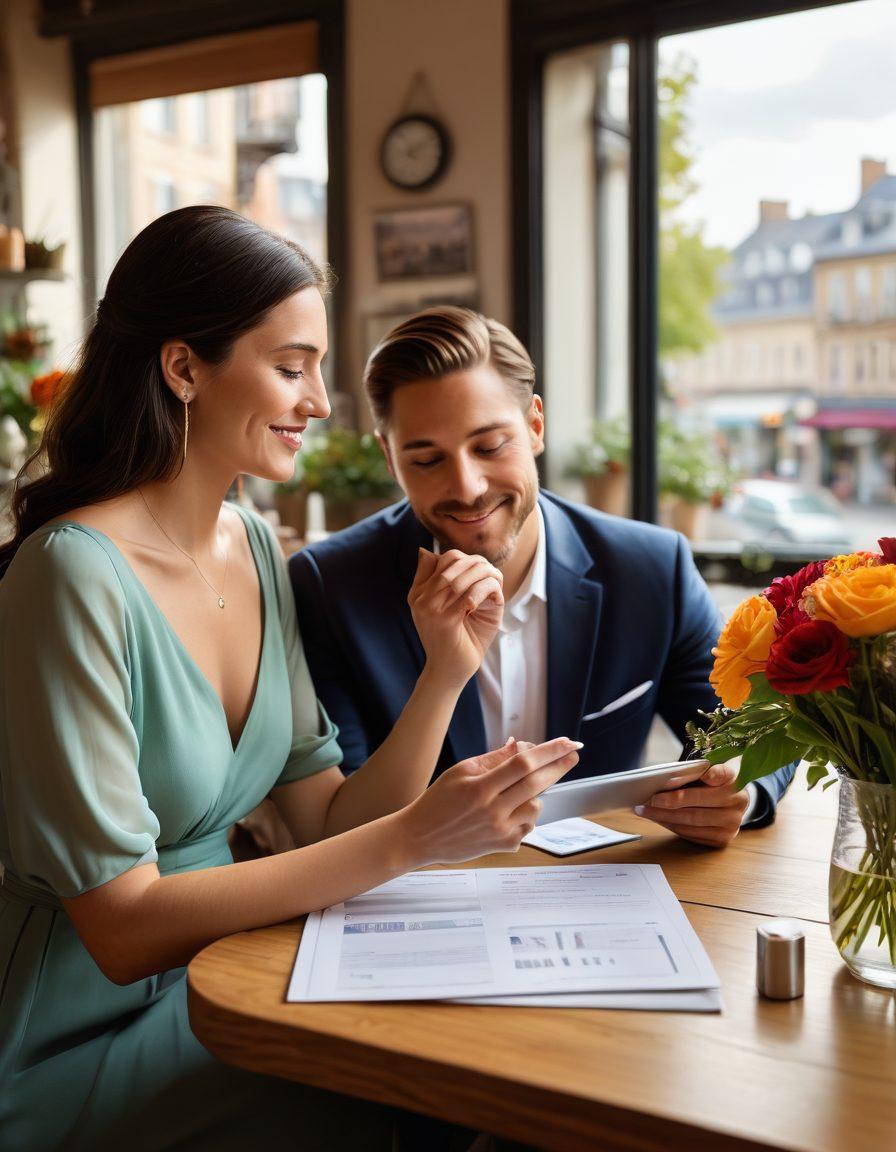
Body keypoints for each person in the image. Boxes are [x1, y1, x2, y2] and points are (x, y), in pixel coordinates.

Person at [0, 209, 580, 1152]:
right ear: (183, 369)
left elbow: (327, 822)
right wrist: (417, 838)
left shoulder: (257, 545)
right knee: (405, 1092)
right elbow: (123, 930)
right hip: (75, 1032)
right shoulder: (71, 573)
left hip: (227, 975)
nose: (319, 401)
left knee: (493, 1055)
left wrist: (445, 675)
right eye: (291, 366)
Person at [290, 307, 795, 848]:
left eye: (489, 446)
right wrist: (442, 675)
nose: (466, 486)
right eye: (427, 460)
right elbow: (345, 831)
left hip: (604, 894)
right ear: (390, 459)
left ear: (535, 425)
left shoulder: (651, 568)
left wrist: (741, 789)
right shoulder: (328, 586)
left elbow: (753, 723)